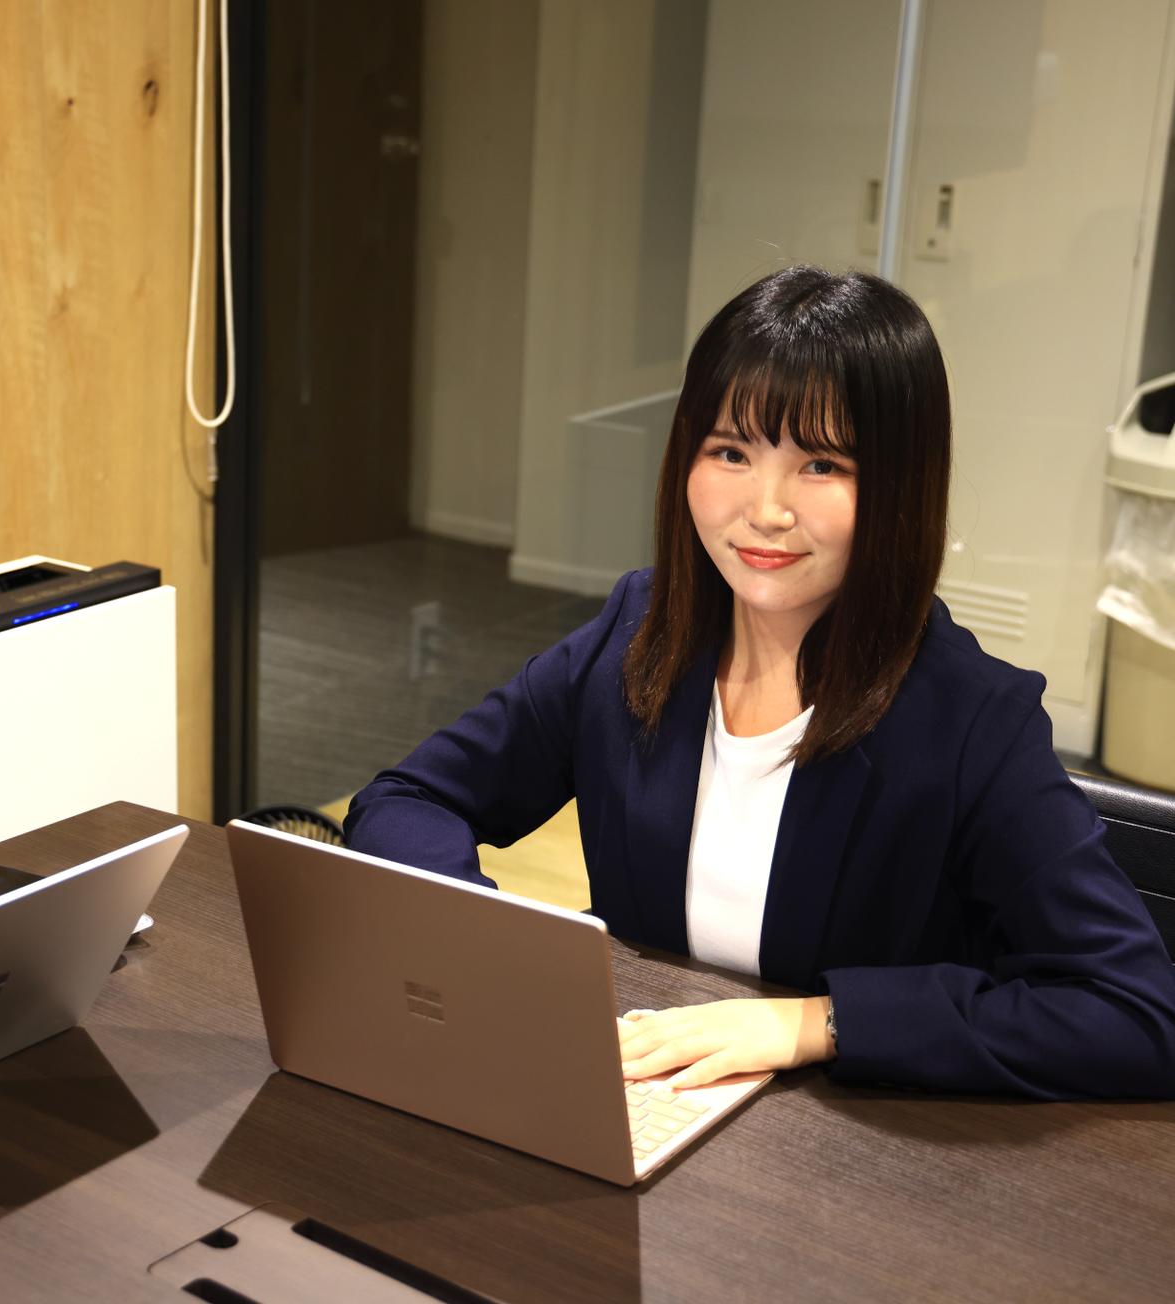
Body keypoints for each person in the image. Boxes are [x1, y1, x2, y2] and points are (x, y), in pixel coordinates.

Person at [345, 265, 1175, 1099]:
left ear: (900, 486)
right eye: (731, 452)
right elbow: (408, 799)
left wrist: (819, 1023)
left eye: (822, 465)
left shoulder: (971, 718)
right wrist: (502, 951)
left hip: (850, 1141)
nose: (766, 510)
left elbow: (1137, 1013)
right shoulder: (637, 633)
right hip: (642, 1095)